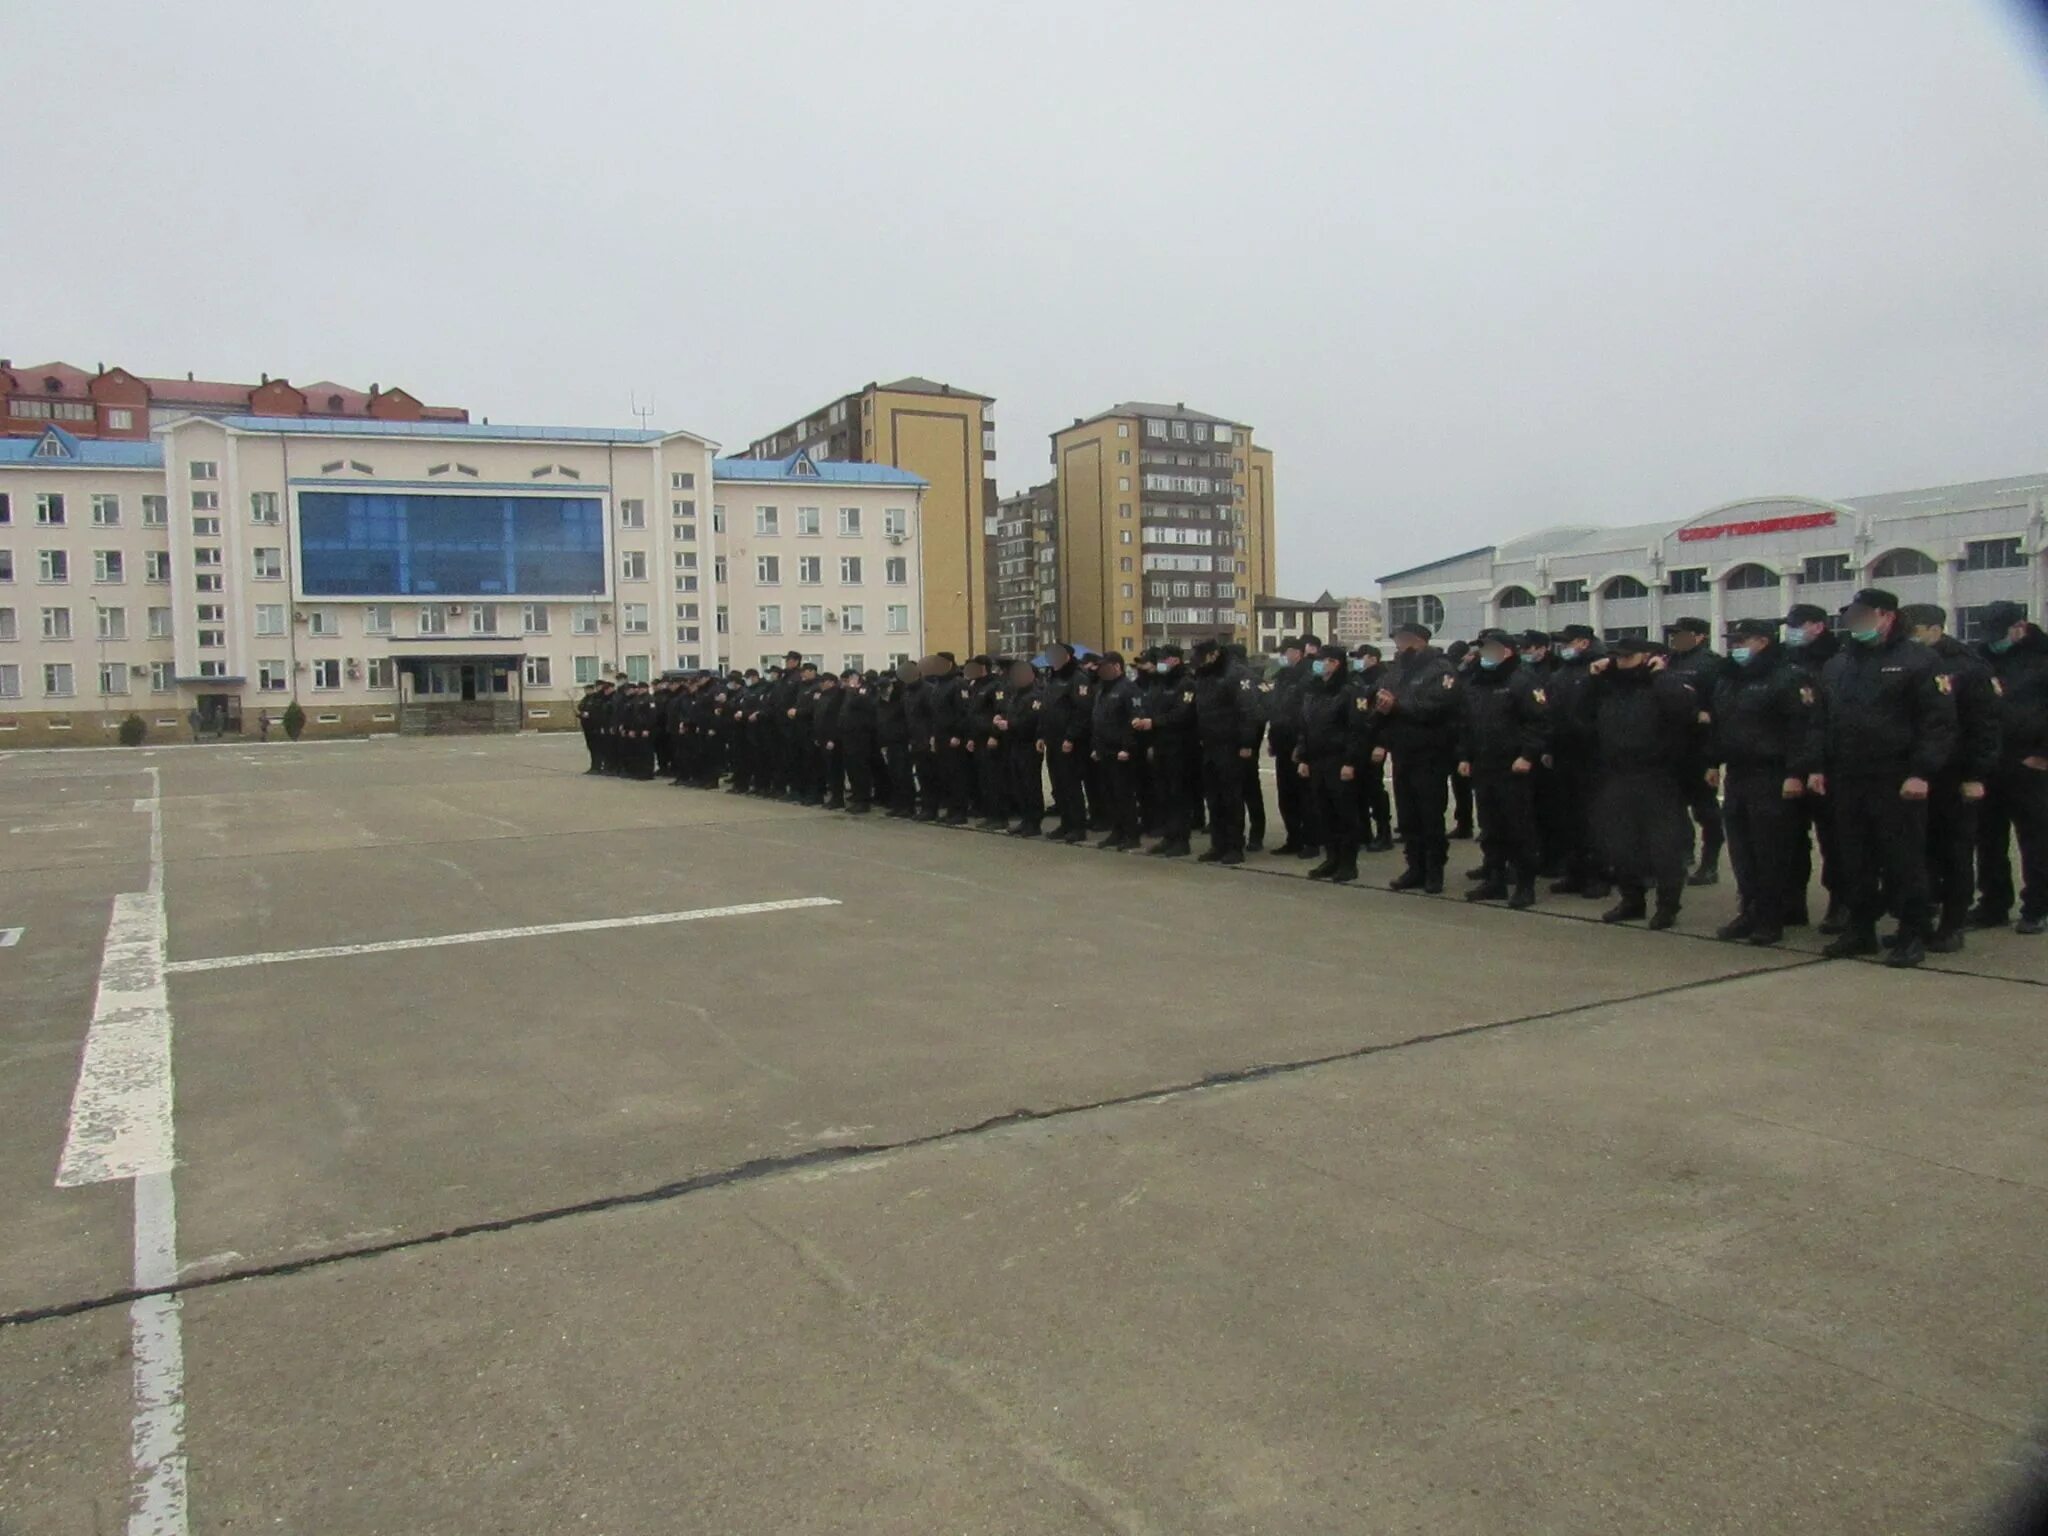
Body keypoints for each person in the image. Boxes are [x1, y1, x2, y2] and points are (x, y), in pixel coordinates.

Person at [1811, 587, 1957, 967]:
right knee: (1853, 857)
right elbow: (1823, 721)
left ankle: (1912, 933)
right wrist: (1818, 767)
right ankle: (1860, 929)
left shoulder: (1919, 661)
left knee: (1903, 859)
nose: (1854, 623)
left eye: (1862, 615)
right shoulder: (1839, 664)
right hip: (1847, 775)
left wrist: (1922, 772)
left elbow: (1938, 723)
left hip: (1896, 776)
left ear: (1887, 616)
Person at [1709, 618, 1819, 946]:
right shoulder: (1729, 678)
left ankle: (1773, 916)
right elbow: (1720, 724)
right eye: (1733, 641)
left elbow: (1802, 729)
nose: (1736, 647)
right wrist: (1712, 762)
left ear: (1762, 642)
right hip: (1738, 772)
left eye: (1742, 641)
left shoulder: (1787, 676)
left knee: (1770, 849)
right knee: (1742, 849)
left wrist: (1795, 773)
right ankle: (1750, 910)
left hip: (1772, 774)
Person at [1900, 604, 2000, 951]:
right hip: (1917, 771)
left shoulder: (1968, 667)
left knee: (1954, 851)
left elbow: (1985, 726)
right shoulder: (1908, 663)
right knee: (1918, 852)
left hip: (1954, 773)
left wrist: (1976, 774)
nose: (1909, 638)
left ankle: (1953, 923)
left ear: (1935, 629)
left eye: (1915, 631)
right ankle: (1919, 922)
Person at [1583, 639, 1699, 928]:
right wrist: (1593, 677)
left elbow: (1683, 710)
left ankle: (1667, 905)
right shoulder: (1610, 686)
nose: (1621, 662)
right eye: (1617, 657)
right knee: (1620, 844)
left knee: (1664, 847)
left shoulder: (1664, 683)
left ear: (1647, 656)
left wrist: (1660, 675)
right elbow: (1580, 714)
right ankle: (1632, 900)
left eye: (1628, 657)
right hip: (1617, 773)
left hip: (1657, 775)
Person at [1456, 629, 1550, 908]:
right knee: (1490, 827)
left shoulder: (1522, 680)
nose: (1482, 654)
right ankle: (1494, 879)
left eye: (1488, 649)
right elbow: (1467, 723)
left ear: (1506, 651)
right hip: (1484, 764)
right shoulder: (1477, 681)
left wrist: (1528, 755)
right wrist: (1465, 756)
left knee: (1519, 828)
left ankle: (1524, 885)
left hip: (1513, 766)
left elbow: (1540, 722)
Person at [1971, 599, 2048, 935]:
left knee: (2036, 839)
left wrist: (2042, 755)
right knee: (1987, 838)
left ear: (2020, 627)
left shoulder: (2042, 658)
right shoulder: (1980, 658)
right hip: (1988, 762)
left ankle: (2038, 906)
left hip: (2030, 762)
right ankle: (1993, 902)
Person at [1375, 622, 1459, 893]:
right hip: (1403, 751)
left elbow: (1437, 707)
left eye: (1403, 640)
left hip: (1430, 752)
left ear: (1419, 640)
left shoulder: (1441, 669)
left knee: (1430, 815)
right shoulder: (1397, 670)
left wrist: (1398, 706)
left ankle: (1434, 870)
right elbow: (1382, 697)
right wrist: (1382, 708)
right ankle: (1415, 866)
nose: (1399, 645)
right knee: (1408, 816)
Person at [1782, 603, 1846, 930]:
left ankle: (1841, 902)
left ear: (1818, 626)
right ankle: (1792, 903)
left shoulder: (1838, 660)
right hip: (1788, 760)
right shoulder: (1785, 659)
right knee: (1791, 838)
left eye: (1799, 624)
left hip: (1828, 762)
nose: (1792, 631)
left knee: (1834, 839)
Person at [1545, 625, 1612, 900]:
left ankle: (1599, 875)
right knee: (1568, 817)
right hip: (1564, 752)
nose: (1563, 648)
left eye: (1567, 643)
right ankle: (1574, 872)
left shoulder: (1601, 669)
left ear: (1583, 642)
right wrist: (1549, 746)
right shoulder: (1561, 673)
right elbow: (1551, 712)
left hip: (1593, 753)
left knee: (1594, 819)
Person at [1296, 646, 1372, 882]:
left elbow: (1358, 730)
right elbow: (1306, 726)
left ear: (1335, 663)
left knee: (1345, 813)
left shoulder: (1351, 691)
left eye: (1322, 660)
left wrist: (1351, 762)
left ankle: (1348, 863)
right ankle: (1332, 858)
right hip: (1317, 759)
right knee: (1324, 812)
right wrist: (1303, 757)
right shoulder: (1314, 690)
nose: (1317, 665)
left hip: (1340, 760)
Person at [1661, 616, 1726, 886]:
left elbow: (1719, 705)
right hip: (1673, 745)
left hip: (1699, 746)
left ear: (1700, 636)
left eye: (1682, 634)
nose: (1676, 639)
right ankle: (1683, 852)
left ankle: (1709, 862)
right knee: (1674, 807)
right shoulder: (1669, 661)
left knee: (1705, 809)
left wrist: (1713, 754)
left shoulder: (1711, 664)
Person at [1191, 638, 1260, 864]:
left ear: (1213, 654)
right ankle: (1218, 844)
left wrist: (1246, 743)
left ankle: (1234, 846)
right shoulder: (1205, 675)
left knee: (1232, 799)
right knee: (1214, 799)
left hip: (1231, 745)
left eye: (1202, 656)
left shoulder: (1236, 674)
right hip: (1210, 744)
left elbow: (1248, 710)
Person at [1134, 644, 1196, 857]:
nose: (1160, 663)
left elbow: (1183, 713)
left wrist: (1155, 722)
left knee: (1179, 795)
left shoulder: (1186, 683)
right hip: (1160, 745)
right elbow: (1151, 707)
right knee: (1164, 794)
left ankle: (1181, 840)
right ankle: (1169, 837)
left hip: (1180, 746)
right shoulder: (1159, 682)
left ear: (1175, 660)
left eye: (1163, 659)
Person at [1267, 637, 1320, 859]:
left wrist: (1301, 744)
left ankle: (1312, 840)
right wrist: (1272, 739)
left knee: (1305, 795)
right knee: (1286, 794)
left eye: (1286, 652)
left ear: (1297, 652)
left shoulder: (1309, 677)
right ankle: (1293, 838)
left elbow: (1306, 714)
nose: (1283, 657)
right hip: (1282, 741)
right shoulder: (1283, 676)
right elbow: (1275, 711)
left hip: (1299, 742)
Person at [1088, 651, 1144, 850]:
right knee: (1109, 794)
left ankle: (1132, 835)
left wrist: (1127, 748)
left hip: (1121, 752)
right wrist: (1096, 747)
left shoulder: (1129, 689)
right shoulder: (1103, 689)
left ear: (1117, 667)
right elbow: (1097, 719)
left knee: (1124, 795)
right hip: (1104, 749)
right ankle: (1117, 831)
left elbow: (1135, 719)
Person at [1038, 643, 1093, 843]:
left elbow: (1082, 711)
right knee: (1058, 784)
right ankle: (1066, 823)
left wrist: (1071, 737)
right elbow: (1046, 708)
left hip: (1069, 741)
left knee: (1071, 785)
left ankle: (1078, 827)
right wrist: (1041, 735)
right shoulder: (1053, 677)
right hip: (1052, 739)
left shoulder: (1078, 678)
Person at [992, 657, 1045, 836]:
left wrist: (1010, 724)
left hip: (1028, 744)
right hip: (1014, 743)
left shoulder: (1036, 695)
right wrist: (1001, 718)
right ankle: (1025, 819)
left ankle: (1034, 822)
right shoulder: (1017, 694)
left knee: (1031, 785)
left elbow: (1032, 720)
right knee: (1019, 785)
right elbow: (1009, 712)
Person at [1348, 645, 1394, 851]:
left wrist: (1381, 744)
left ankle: (1384, 832)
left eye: (1361, 657)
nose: (1358, 661)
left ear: (1374, 659)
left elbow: (1385, 717)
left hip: (1374, 740)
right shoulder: (1356, 679)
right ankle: (1363, 831)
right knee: (1357, 788)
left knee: (1374, 789)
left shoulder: (1384, 680)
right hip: (1358, 740)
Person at [875, 660, 919, 817]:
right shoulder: (880, 703)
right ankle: (898, 804)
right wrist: (882, 743)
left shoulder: (900, 700)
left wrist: (909, 739)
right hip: (888, 742)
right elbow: (880, 723)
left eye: (886, 688)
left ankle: (908, 805)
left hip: (902, 741)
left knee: (903, 774)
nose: (884, 692)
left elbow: (908, 721)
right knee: (893, 774)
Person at [831, 668, 878, 813]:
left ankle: (863, 800)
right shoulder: (846, 692)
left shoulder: (865, 689)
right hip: (847, 735)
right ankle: (857, 796)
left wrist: (852, 690)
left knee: (860, 768)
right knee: (851, 768)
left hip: (860, 735)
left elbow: (865, 704)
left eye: (846, 681)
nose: (844, 684)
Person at [576, 682, 606, 774]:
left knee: (597, 748)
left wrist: (587, 714)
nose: (586, 691)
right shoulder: (585, 699)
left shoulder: (595, 698)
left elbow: (596, 712)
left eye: (588, 689)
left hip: (594, 727)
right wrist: (580, 714)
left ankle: (598, 766)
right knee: (591, 747)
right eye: (585, 690)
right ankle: (593, 766)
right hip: (587, 727)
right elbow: (581, 707)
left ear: (592, 690)